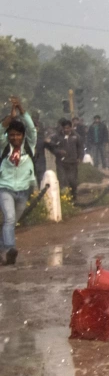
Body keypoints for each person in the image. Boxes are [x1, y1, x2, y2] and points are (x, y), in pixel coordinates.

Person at [0, 98, 37, 266]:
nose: (15, 137)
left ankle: (3, 251)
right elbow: (1, 130)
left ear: (23, 136)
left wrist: (22, 110)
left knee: (12, 223)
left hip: (23, 190)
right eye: (12, 134)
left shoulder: (29, 146)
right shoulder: (4, 146)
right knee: (9, 219)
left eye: (18, 134)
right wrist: (10, 115)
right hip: (5, 188)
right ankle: (10, 249)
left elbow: (31, 128)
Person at [44, 118, 84, 202]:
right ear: (62, 128)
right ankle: (63, 200)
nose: (66, 130)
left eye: (68, 128)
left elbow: (80, 148)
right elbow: (51, 147)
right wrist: (58, 152)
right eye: (65, 128)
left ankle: (74, 198)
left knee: (73, 181)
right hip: (61, 163)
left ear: (71, 127)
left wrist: (80, 158)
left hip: (73, 162)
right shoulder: (56, 136)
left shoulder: (76, 136)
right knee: (62, 181)